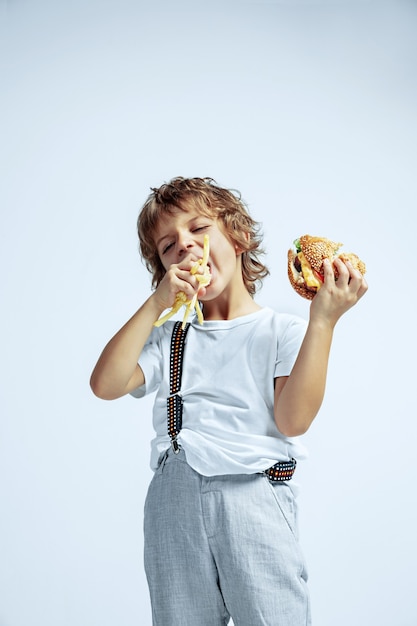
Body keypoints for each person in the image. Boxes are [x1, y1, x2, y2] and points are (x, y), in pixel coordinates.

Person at [90, 176, 368, 626]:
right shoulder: (170, 336)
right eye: (167, 246)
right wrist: (156, 304)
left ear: (237, 238)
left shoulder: (283, 331)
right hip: (173, 503)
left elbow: (294, 420)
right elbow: (105, 384)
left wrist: (324, 322)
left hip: (254, 498)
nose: (184, 245)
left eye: (198, 229)